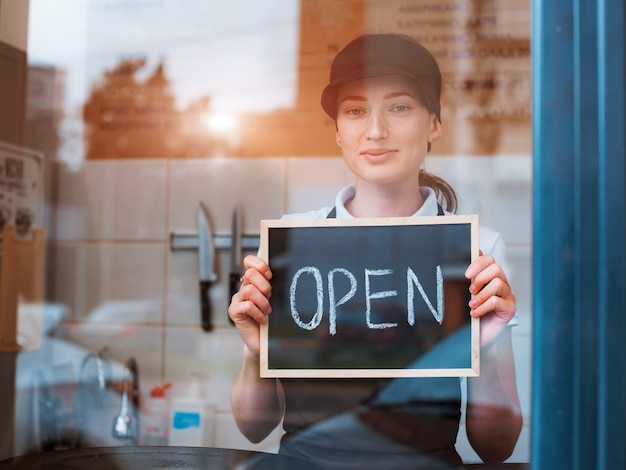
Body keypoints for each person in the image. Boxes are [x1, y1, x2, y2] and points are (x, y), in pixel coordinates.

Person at [228, 33, 522, 469]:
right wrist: (256, 352)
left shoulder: (477, 249)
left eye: (399, 107)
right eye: (355, 111)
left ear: (434, 124)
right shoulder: (293, 240)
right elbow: (254, 428)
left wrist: (490, 343)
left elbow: (495, 449)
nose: (376, 130)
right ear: (338, 131)